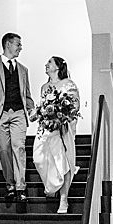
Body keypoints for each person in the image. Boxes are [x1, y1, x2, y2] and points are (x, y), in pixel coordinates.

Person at [0, 33, 35, 202]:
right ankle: (10, 184)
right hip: (0, 113)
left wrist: (31, 110)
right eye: (18, 44)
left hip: (19, 113)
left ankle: (21, 187)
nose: (20, 47)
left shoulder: (23, 70)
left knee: (19, 147)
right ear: (8, 44)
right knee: (3, 149)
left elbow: (27, 94)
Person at [33, 56, 80, 214]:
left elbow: (74, 105)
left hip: (62, 129)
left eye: (49, 63)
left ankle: (63, 199)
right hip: (45, 128)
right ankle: (51, 185)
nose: (46, 65)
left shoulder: (68, 84)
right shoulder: (44, 87)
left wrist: (62, 116)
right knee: (38, 159)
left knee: (63, 163)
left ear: (58, 66)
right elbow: (41, 105)